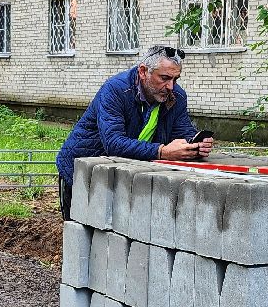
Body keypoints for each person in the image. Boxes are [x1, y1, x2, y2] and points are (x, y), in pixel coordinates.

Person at [55, 44, 215, 219]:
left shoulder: (176, 96)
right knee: (83, 234)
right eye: (164, 78)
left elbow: (183, 132)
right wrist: (161, 151)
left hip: (124, 173)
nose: (170, 86)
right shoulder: (116, 90)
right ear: (143, 71)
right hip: (82, 171)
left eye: (175, 79)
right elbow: (113, 142)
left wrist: (195, 144)